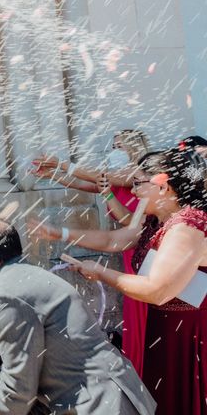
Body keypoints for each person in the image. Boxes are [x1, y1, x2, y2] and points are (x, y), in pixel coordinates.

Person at [64, 148, 207, 414]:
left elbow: (157, 290)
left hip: (192, 333)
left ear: (163, 186)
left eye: (139, 183)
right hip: (164, 327)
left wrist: (101, 272)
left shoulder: (189, 224)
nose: (134, 190)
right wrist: (59, 232)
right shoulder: (157, 222)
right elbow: (116, 239)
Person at [0, 219, 156, 415]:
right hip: (110, 392)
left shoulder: (4, 292)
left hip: (98, 403)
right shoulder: (31, 275)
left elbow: (20, 385)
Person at [32, 129, 150, 374]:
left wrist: (61, 162)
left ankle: (146, 365)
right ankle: (140, 368)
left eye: (119, 146)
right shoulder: (115, 177)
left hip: (139, 246)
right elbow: (84, 184)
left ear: (133, 147)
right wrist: (53, 174)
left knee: (144, 307)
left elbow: (121, 210)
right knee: (134, 309)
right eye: (113, 146)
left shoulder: (136, 173)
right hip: (127, 247)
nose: (114, 150)